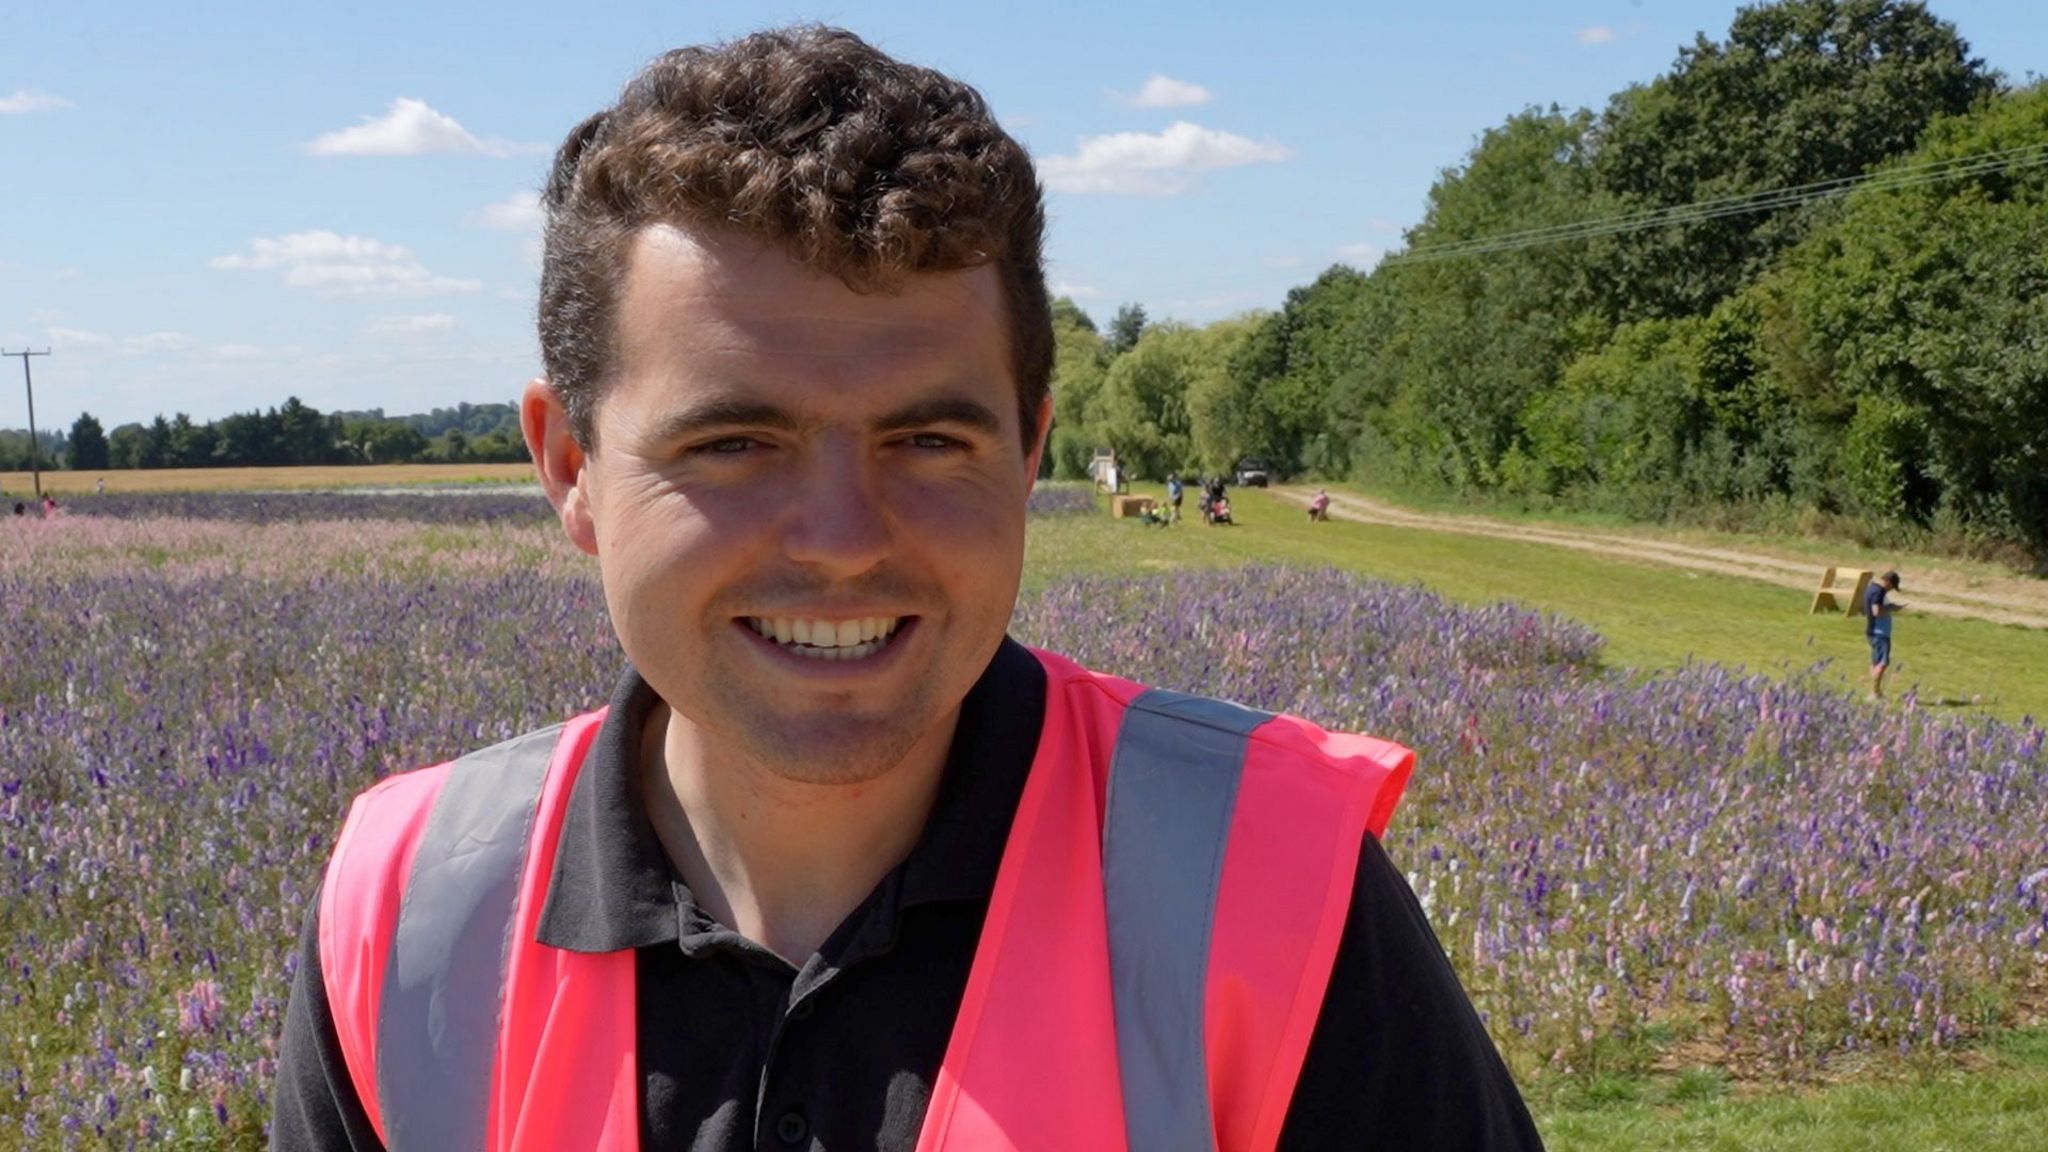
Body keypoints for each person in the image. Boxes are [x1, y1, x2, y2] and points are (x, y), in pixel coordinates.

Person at [271, 27, 1542, 1152]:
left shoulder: (1270, 888)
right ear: (569, 466)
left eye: (929, 442)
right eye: (733, 444)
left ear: (1030, 453)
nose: (839, 539)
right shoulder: (411, 905)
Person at [1864, 569, 1902, 699]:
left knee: (1875, 662)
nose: (1891, 590)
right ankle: (1874, 692)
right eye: (1892, 587)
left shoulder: (1871, 588)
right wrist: (1892, 607)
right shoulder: (1879, 592)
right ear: (1888, 582)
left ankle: (1876, 691)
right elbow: (1876, 611)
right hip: (1880, 633)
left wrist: (1890, 606)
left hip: (1872, 631)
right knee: (1882, 663)